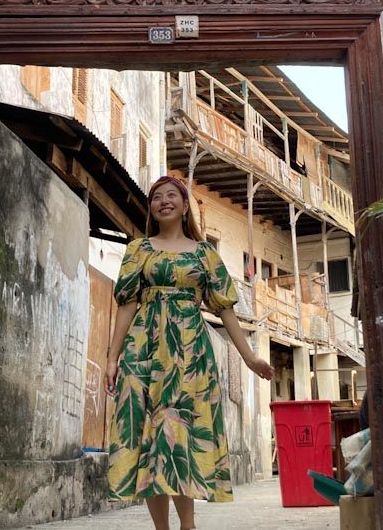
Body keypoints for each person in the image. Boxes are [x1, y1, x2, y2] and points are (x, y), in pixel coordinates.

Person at [104, 175, 274, 530]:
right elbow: (127, 304)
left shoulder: (204, 254)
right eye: (156, 197)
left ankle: (188, 524)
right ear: (151, 207)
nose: (164, 201)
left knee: (177, 434)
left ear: (185, 207)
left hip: (189, 354)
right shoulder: (138, 250)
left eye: (172, 195)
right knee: (150, 441)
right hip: (144, 351)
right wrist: (112, 357)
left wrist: (250, 358)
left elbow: (225, 309)